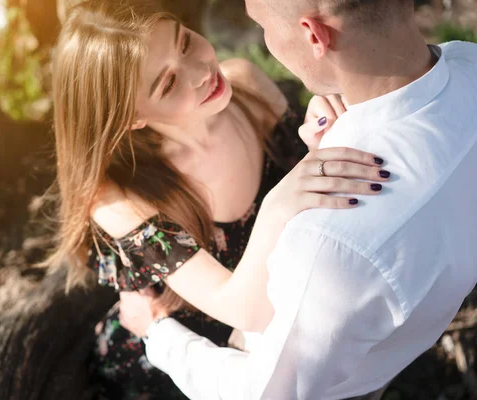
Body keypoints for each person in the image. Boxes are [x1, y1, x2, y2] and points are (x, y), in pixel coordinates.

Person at [119, 0, 477, 399]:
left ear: (313, 35)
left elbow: (262, 393)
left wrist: (159, 334)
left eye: (263, 27)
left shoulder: (329, 244)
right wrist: (341, 138)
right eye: (167, 83)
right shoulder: (471, 64)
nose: (203, 71)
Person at [48, 1, 388, 399]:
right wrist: (279, 205)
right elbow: (247, 310)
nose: (202, 71)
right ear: (130, 116)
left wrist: (322, 134)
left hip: (293, 321)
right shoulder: (119, 195)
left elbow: (315, 186)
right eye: (168, 83)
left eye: (186, 43)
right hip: (192, 359)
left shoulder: (244, 85)